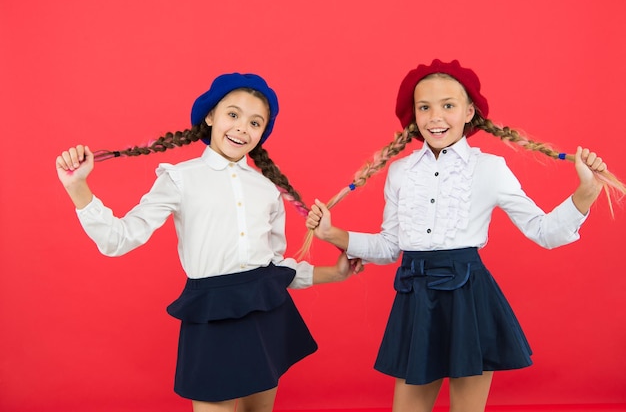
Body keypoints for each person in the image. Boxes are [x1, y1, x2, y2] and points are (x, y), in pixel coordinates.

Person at [305, 59, 619, 412]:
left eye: (448, 106)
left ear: (470, 111)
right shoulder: (400, 172)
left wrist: (585, 193)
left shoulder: (489, 169)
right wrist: (333, 233)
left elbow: (543, 231)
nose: (435, 117)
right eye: (424, 107)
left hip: (469, 300)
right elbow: (390, 247)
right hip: (415, 298)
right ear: (414, 115)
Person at [55, 73, 362, 412]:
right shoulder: (179, 178)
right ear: (210, 117)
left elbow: (273, 269)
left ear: (262, 133)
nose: (242, 128)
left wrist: (335, 273)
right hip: (211, 314)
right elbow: (118, 239)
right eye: (233, 114)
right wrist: (78, 188)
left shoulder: (267, 191)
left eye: (255, 122)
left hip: (265, 313)